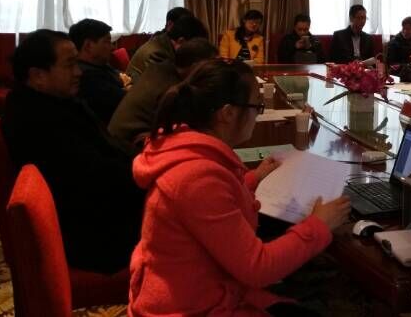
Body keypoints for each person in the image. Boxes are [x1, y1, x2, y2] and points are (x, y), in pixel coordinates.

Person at [128, 59, 351, 316]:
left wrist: (252, 179)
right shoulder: (197, 178)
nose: (258, 115)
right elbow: (258, 267)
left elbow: (212, 205)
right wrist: (319, 225)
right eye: (257, 107)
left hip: (195, 290)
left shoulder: (185, 149)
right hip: (192, 307)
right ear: (228, 113)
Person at [1, 30, 144, 274]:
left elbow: (105, 150)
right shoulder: (37, 121)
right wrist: (149, 171)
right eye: (69, 65)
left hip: (100, 208)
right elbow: (96, 176)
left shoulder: (54, 101)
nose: (79, 72)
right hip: (92, 234)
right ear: (38, 76)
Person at [109, 38, 218, 152]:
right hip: (127, 149)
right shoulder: (173, 88)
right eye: (211, 65)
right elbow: (185, 128)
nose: (213, 71)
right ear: (196, 66)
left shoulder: (159, 69)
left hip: (118, 142)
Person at [69, 18, 129, 124]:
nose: (112, 47)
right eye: (107, 41)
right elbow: (128, 102)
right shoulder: (88, 78)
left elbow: (125, 76)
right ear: (88, 46)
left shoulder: (99, 64)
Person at [127, 15, 208, 82]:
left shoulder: (163, 41)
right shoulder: (158, 54)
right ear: (181, 41)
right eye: (195, 50)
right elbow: (168, 87)